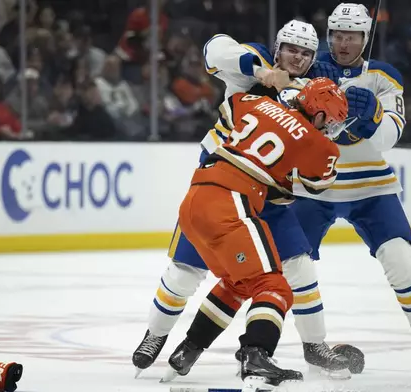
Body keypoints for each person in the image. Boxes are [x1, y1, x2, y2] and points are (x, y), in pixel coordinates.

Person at [133, 19, 353, 379]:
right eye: (290, 49)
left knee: (298, 266)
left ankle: (314, 345)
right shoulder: (253, 67)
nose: (296, 57)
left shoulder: (305, 90)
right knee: (184, 272)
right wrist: (266, 73)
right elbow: (215, 48)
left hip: (266, 197)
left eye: (305, 53)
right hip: (231, 189)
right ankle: (155, 335)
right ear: (277, 48)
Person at [288, 3, 411, 376]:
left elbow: (388, 138)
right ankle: (271, 344)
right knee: (288, 268)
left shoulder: (382, 76)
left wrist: (372, 116)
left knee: (402, 259)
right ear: (329, 35)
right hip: (314, 186)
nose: (344, 43)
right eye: (338, 35)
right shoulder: (308, 67)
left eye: (352, 36)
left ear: (366, 37)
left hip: (371, 186)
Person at [163, 77, 347, 389]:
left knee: (237, 283)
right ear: (317, 115)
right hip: (231, 201)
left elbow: (230, 107)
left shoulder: (257, 103)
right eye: (329, 123)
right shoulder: (321, 143)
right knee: (275, 286)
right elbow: (318, 182)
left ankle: (188, 350)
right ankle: (257, 355)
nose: (329, 130)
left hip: (195, 198)